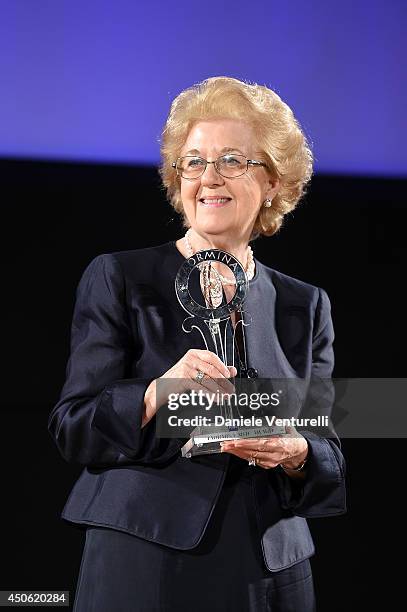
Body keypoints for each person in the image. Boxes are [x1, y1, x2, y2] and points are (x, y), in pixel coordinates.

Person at [48, 76, 346, 612]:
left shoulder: (306, 305)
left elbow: (327, 446)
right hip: (146, 550)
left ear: (275, 182)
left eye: (233, 160)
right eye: (193, 162)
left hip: (271, 561)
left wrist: (297, 452)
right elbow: (73, 427)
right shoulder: (121, 277)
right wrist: (156, 393)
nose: (209, 178)